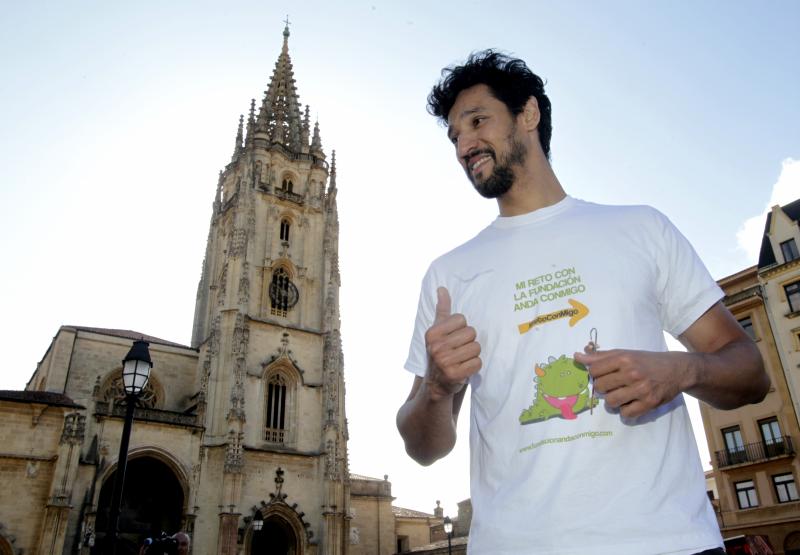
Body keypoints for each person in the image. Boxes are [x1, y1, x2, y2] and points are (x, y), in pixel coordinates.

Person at [396, 50, 769, 555]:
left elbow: (751, 372)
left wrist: (681, 372)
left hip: (668, 543)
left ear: (528, 114)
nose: (464, 144)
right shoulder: (449, 274)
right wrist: (438, 389)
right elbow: (424, 447)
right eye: (454, 136)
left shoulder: (641, 229)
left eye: (477, 121)